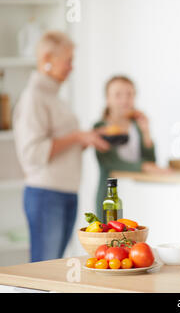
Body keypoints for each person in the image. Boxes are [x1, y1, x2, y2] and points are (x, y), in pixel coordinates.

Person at [13, 31, 110, 262]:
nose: (71, 67)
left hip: (65, 194)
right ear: (48, 58)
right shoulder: (34, 97)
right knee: (42, 271)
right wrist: (77, 137)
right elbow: (32, 153)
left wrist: (88, 138)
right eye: (68, 61)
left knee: (52, 266)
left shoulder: (54, 97)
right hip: (47, 195)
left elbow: (61, 147)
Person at [94, 75, 170, 221]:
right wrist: (145, 167)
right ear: (107, 99)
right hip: (110, 198)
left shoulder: (136, 125)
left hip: (138, 195)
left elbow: (150, 160)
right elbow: (111, 162)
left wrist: (146, 132)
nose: (124, 100)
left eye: (129, 94)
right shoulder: (100, 128)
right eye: (118, 95)